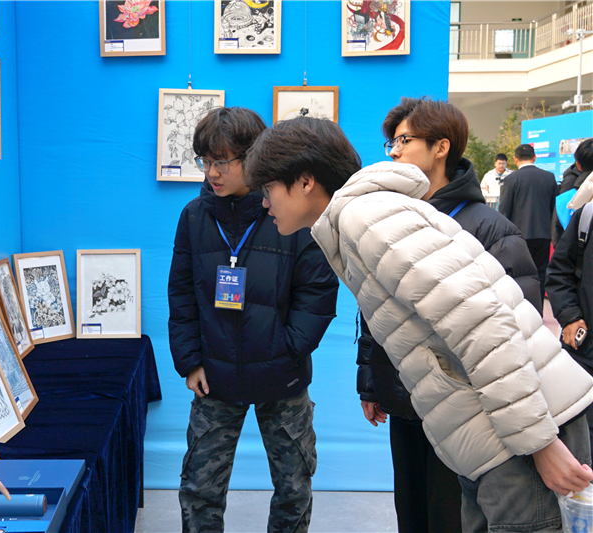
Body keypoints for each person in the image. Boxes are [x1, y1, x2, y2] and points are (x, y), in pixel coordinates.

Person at [245, 115, 593, 532]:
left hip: (524, 430)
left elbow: (482, 326)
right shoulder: (359, 219)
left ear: (305, 181)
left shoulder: (367, 220)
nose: (264, 204)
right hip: (499, 431)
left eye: (268, 189)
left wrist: (540, 443)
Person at [355, 98, 542, 533]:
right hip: (404, 397)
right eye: (391, 143)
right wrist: (371, 382)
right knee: (411, 515)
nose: (394, 152)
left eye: (403, 140)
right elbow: (374, 307)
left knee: (451, 518)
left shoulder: (492, 230)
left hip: (465, 410)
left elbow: (519, 328)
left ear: (441, 147)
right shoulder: (391, 221)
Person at [167, 106, 339, 533]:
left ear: (254, 157)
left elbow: (318, 291)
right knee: (199, 489)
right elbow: (182, 294)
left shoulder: (291, 211)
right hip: (215, 377)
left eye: (222, 161)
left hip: (283, 378)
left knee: (294, 487)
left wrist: (288, 349)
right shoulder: (194, 216)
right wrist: (190, 361)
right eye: (205, 161)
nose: (212, 172)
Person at [547, 147, 593, 460]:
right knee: (582, 444)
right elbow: (560, 271)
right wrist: (571, 317)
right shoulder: (587, 213)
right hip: (587, 352)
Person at [499, 144, 559, 299]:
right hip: (543, 235)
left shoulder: (511, 179)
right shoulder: (549, 177)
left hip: (519, 236)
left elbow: (504, 210)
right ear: (535, 157)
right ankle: (538, 308)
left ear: (515, 159)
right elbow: (554, 208)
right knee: (540, 273)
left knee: (519, 275)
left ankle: (521, 306)